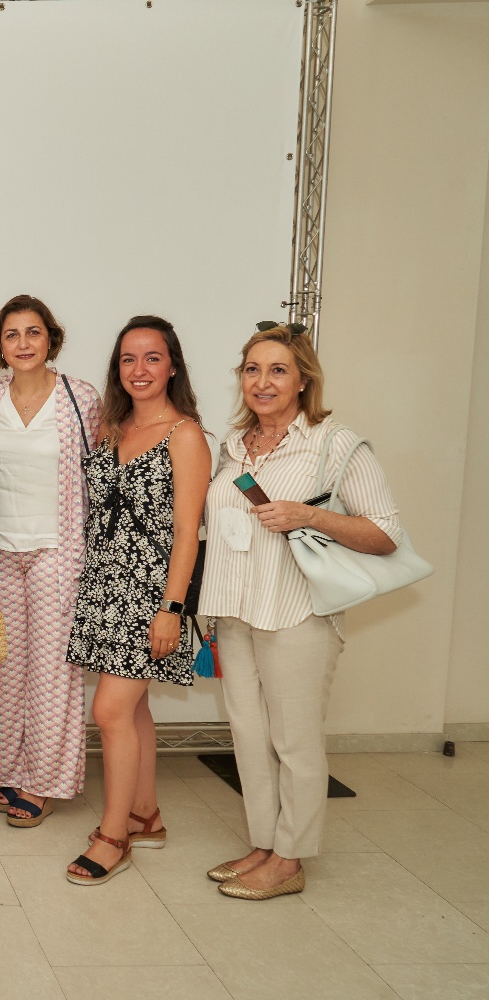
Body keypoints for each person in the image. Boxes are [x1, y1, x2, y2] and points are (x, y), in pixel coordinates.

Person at [199, 323, 401, 900]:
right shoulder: (234, 445)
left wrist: (309, 515)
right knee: (249, 736)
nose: (262, 382)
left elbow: (385, 534)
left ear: (304, 380)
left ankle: (290, 858)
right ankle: (265, 843)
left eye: (278, 370)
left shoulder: (336, 444)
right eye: (252, 369)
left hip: (297, 614)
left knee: (295, 740)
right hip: (234, 610)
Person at [65, 316, 209, 886]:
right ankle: (145, 815)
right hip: (102, 586)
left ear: (172, 366)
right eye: (128, 358)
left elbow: (187, 533)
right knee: (134, 709)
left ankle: (113, 837)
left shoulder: (186, 435)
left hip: (150, 593)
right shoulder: (112, 427)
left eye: (152, 357)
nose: (139, 369)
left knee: (109, 712)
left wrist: (171, 609)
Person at [0, 294, 101, 829]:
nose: (23, 343)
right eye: (12, 334)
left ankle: (42, 783)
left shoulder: (80, 397)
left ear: (51, 339)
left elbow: (101, 468)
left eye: (33, 332)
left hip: (58, 552)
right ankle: (6, 771)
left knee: (52, 675)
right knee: (3, 672)